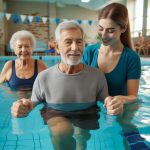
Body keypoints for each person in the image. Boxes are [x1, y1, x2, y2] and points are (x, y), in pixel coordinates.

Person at [11, 21, 108, 150]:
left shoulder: (97, 76)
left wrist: (113, 104)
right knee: (61, 133)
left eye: (79, 42)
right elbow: (32, 103)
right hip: (55, 112)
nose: (75, 47)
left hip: (87, 112)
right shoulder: (44, 77)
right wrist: (22, 106)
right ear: (57, 47)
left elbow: (106, 101)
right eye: (68, 42)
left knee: (82, 137)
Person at [82, 3, 141, 115]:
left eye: (110, 31)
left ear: (123, 28)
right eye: (100, 29)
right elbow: (80, 86)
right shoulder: (89, 52)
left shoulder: (131, 58)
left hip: (120, 110)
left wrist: (121, 100)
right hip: (93, 107)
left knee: (128, 128)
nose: (103, 35)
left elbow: (133, 96)